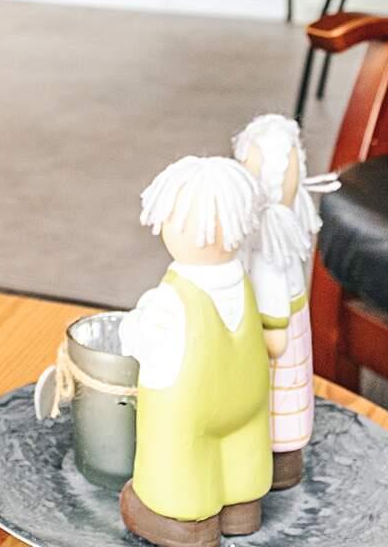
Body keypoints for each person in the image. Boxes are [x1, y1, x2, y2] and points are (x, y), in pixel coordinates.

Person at [118, 155, 275, 545]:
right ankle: (241, 508)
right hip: (248, 399)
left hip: (191, 407)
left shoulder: (170, 298)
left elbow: (139, 342)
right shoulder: (244, 280)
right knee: (242, 459)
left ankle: (187, 524)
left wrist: (133, 326)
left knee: (177, 455)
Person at [234, 114, 323, 489]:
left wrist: (259, 337)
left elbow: (273, 325)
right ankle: (285, 460)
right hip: (290, 328)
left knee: (273, 407)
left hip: (270, 348)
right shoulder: (284, 239)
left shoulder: (267, 252)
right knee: (289, 400)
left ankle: (275, 466)